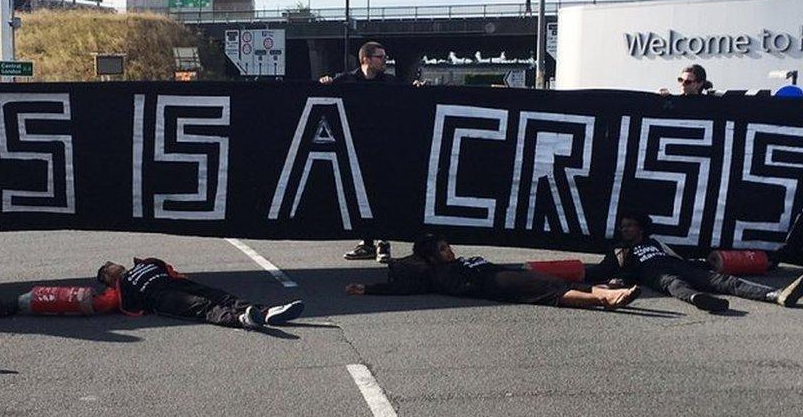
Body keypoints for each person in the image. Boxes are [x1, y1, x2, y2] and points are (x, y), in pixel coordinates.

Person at [345, 233, 640, 310]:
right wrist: (369, 289)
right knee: (552, 293)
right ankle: (605, 301)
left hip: (500, 272)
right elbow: (404, 286)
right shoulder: (436, 274)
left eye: (448, 247)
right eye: (444, 249)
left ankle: (612, 293)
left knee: (554, 281)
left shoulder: (452, 264)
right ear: (433, 257)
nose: (450, 251)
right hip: (494, 283)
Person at [585, 212, 803, 312]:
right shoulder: (618, 249)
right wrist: (581, 274)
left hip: (675, 264)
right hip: (651, 273)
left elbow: (680, 259)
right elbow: (602, 270)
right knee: (674, 285)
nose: (625, 229)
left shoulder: (656, 243)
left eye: (629, 225)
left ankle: (775, 295)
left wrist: (706, 263)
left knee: (724, 281)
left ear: (640, 228)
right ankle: (698, 299)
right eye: (623, 227)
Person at [318, 40, 398, 263]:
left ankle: (384, 243)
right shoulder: (345, 80)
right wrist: (323, 85)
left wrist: (418, 89)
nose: (384, 61)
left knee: (381, 193)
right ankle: (367, 243)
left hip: (382, 146)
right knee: (360, 194)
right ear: (366, 59)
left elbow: (407, 99)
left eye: (385, 57)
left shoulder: (390, 82)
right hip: (353, 145)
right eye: (380, 57)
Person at [94, 257, 304, 330]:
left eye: (108, 264)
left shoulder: (146, 263)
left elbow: (171, 271)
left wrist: (183, 279)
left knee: (220, 295)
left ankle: (267, 313)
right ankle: (242, 319)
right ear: (108, 280)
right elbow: (102, 303)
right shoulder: (118, 289)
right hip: (161, 299)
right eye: (105, 271)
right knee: (203, 306)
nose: (109, 267)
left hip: (177, 284)